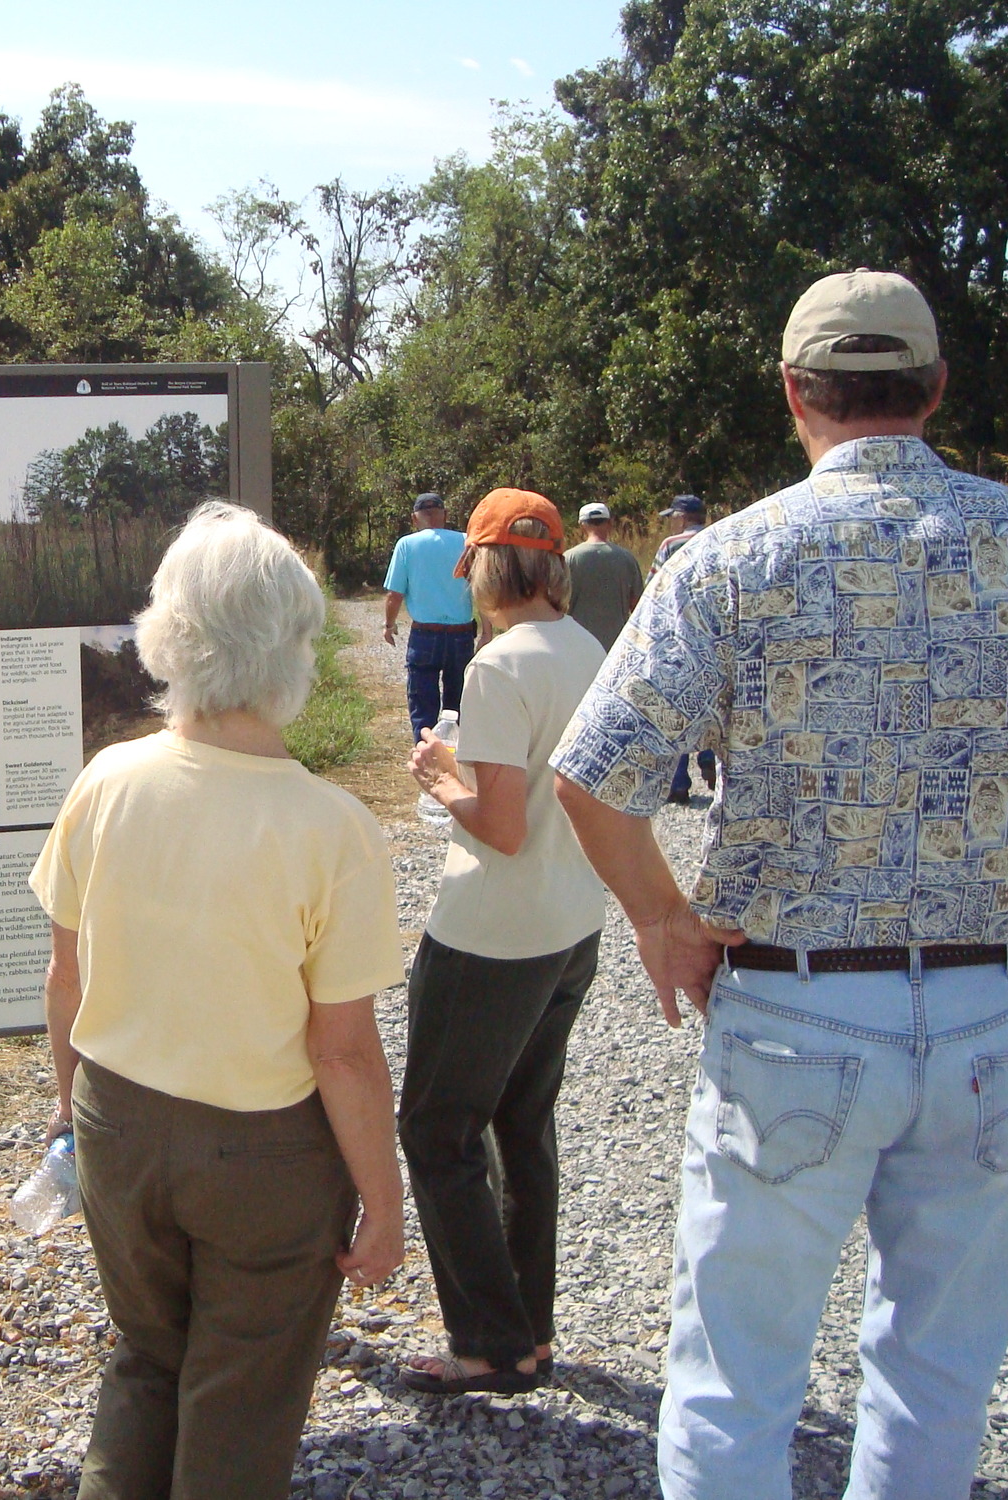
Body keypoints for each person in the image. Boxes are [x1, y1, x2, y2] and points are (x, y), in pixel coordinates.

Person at [552, 268, 1008, 1500]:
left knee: (734, 1376)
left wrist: (663, 923)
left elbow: (593, 777)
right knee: (939, 1368)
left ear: (791, 394)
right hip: (993, 1012)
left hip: (790, 1017)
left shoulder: (724, 563)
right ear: (932, 388)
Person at [30, 500, 407, 1500]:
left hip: (115, 1122)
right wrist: (382, 1196)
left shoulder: (104, 782)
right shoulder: (332, 829)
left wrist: (72, 1117)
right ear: (295, 647)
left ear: (169, 635)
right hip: (264, 1155)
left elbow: (64, 979)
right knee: (240, 1393)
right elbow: (341, 1055)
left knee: (144, 1356)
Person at [396, 488, 609, 1396]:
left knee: (438, 1132)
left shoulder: (494, 668)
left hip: (491, 935)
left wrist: (438, 778)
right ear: (553, 561)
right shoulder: (587, 647)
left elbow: (501, 827)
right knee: (523, 1123)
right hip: (572, 925)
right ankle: (532, 1329)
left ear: (483, 567)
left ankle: (488, 1344)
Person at [383, 492, 483, 741]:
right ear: (445, 515)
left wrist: (389, 625)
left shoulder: (406, 545)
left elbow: (395, 594)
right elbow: (481, 588)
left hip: (425, 634)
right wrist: (488, 631)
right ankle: (457, 753)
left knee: (422, 699)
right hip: (461, 634)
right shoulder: (466, 541)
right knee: (458, 699)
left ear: (414, 519)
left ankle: (425, 750)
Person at [653, 495, 717, 803]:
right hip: (714, 633)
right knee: (711, 700)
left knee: (678, 707)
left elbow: (655, 589)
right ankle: (709, 760)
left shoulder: (670, 545)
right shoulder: (721, 536)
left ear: (682, 517)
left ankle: (678, 783)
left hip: (678, 637)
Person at [564, 501, 644, 652]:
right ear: (609, 523)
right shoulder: (627, 558)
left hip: (578, 644)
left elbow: (557, 605)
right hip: (617, 644)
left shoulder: (569, 558)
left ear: (582, 525)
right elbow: (637, 606)